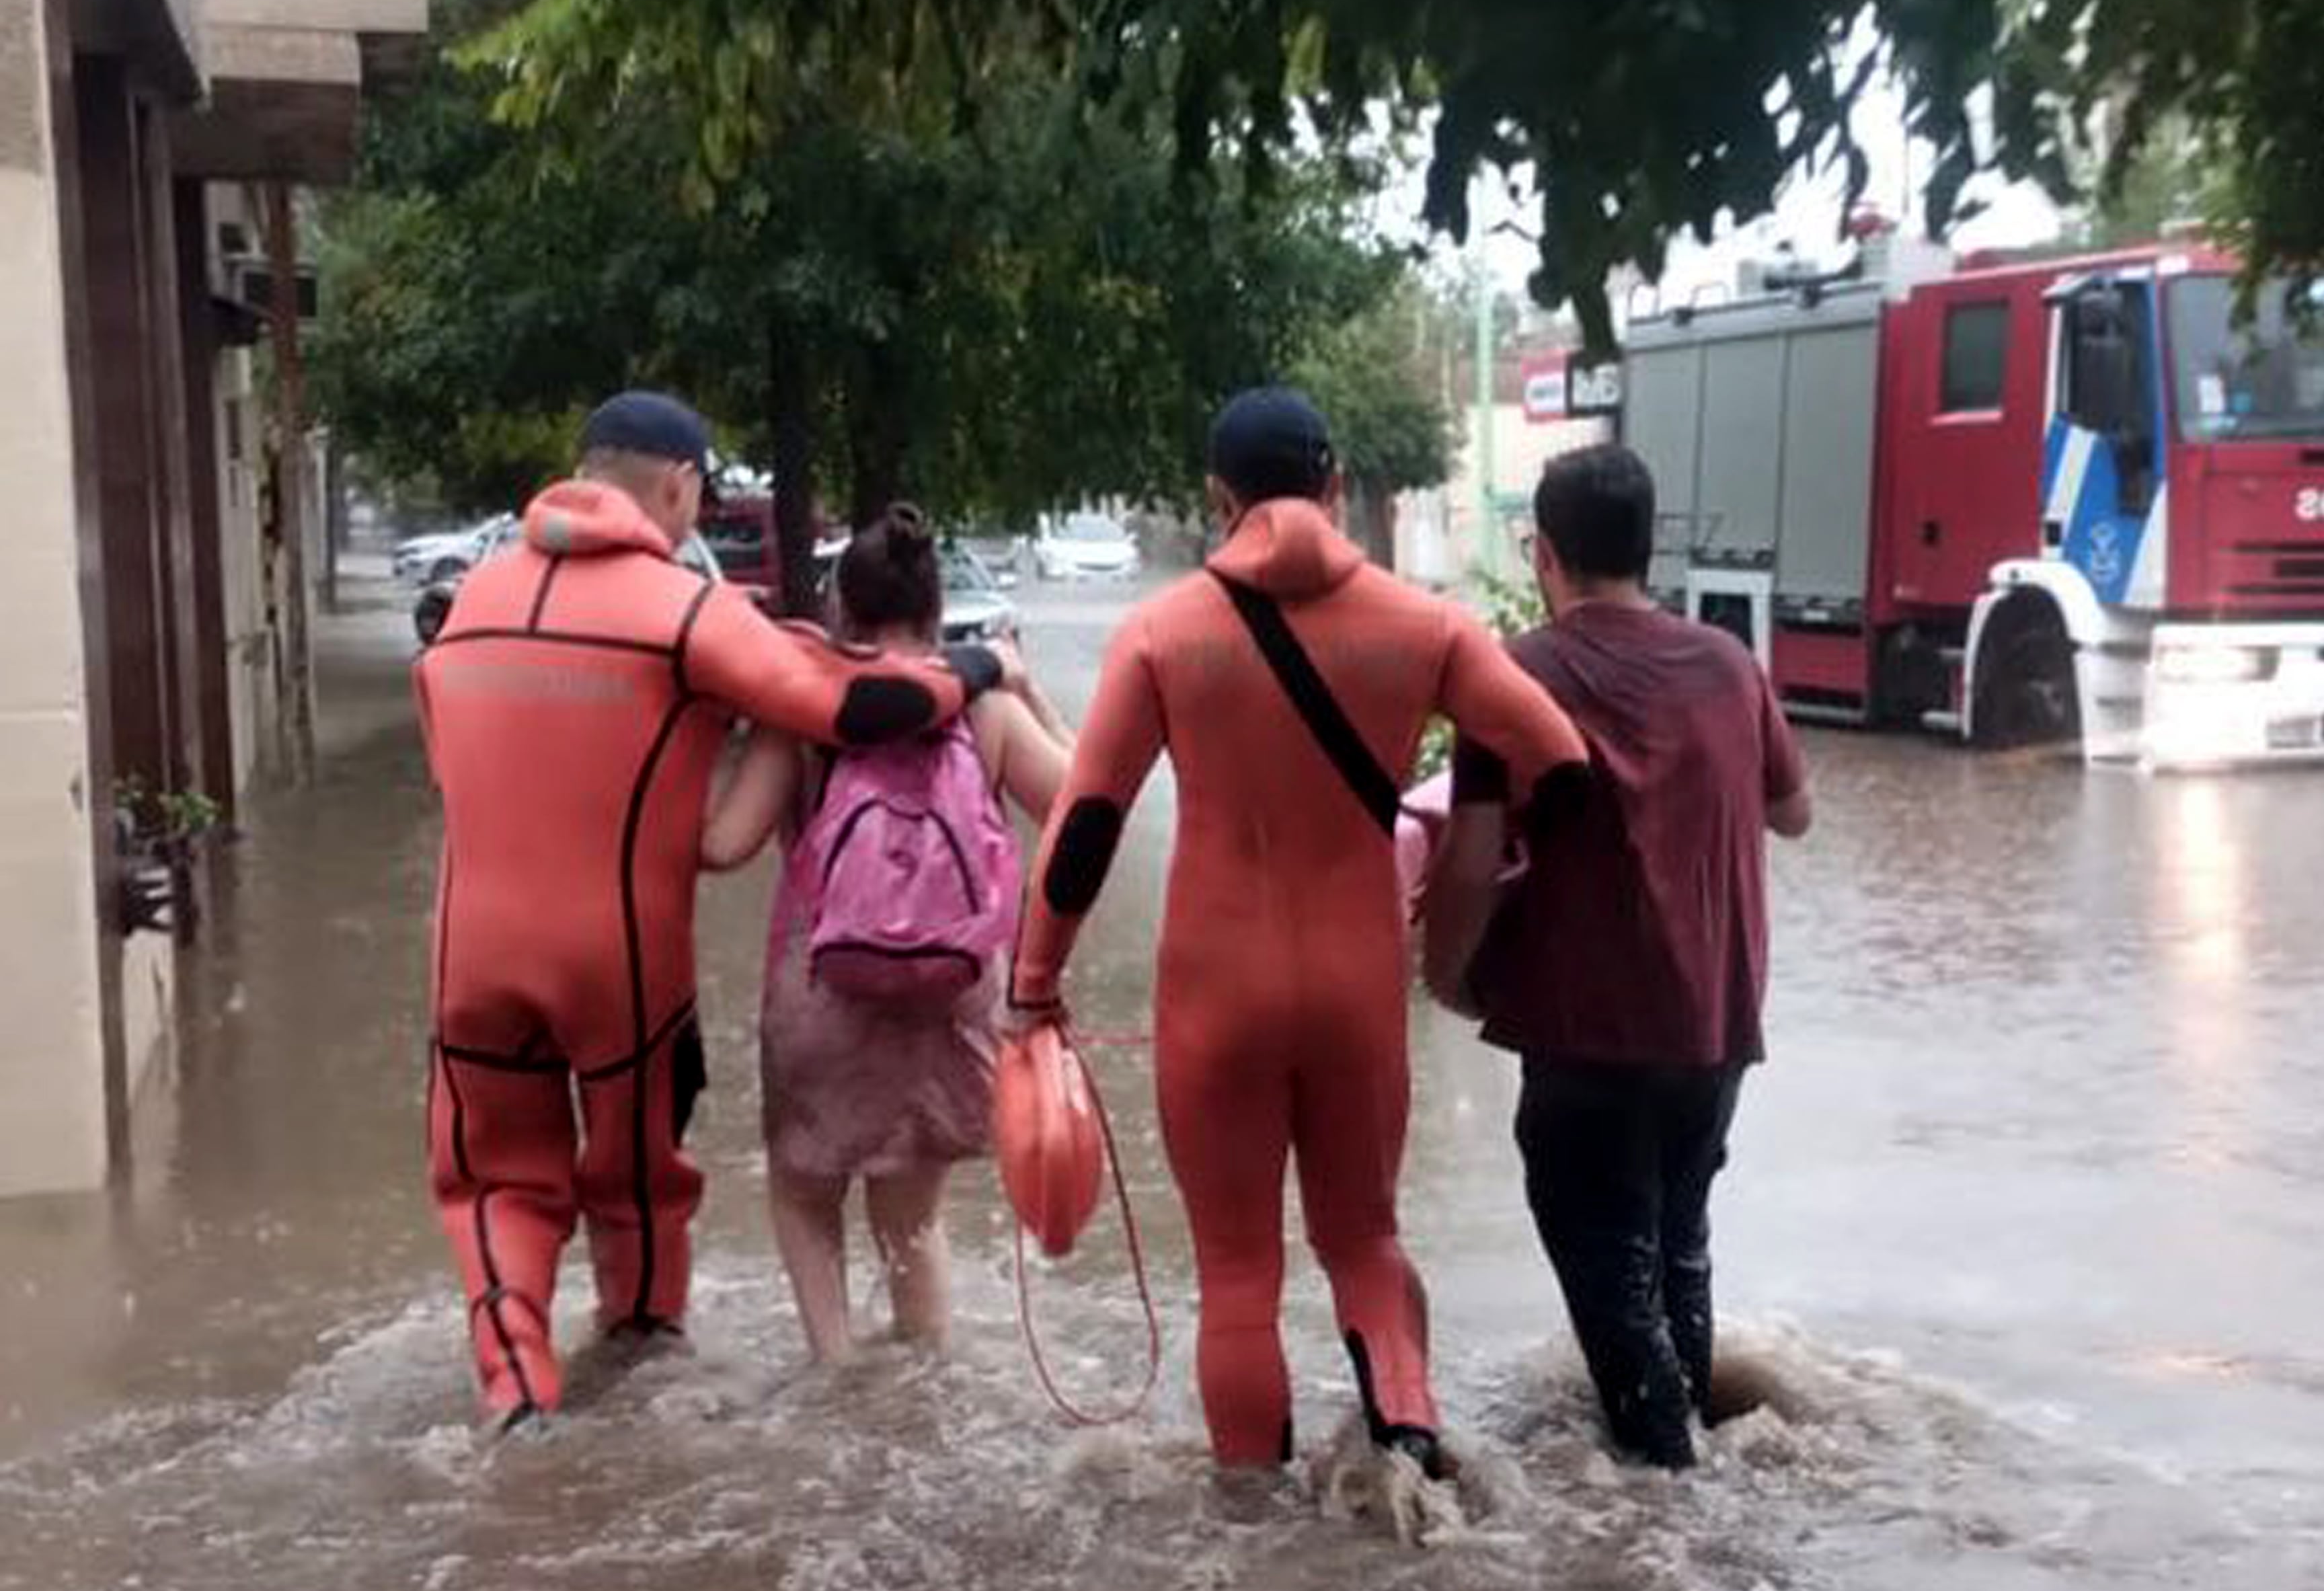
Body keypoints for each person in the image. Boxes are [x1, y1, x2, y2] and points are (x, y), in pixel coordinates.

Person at [1009, 388, 1588, 1476]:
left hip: (1215, 989)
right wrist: (1493, 873)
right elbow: (1560, 762)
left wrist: (1033, 983)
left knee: (1237, 1274)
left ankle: (1250, 1530)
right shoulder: (1427, 627)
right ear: (1332, 488)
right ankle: (1411, 1467)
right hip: (1357, 983)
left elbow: (1087, 822)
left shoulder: (1164, 632)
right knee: (1365, 1243)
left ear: (1220, 500)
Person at [416, 392, 1010, 1432]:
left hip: (469, 949)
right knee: (634, 1174)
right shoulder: (683, 609)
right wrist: (985, 665)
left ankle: (514, 1388)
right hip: (619, 953)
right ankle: (642, 1339)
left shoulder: (470, 600)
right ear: (679, 486)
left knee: (493, 1179)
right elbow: (863, 707)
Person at [1423, 442, 1811, 1469]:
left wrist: (1444, 975)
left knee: (1613, 1283)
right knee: (1675, 1251)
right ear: (1650, 548)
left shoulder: (1512, 674)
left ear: (1543, 553)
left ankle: (1669, 1519)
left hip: (1585, 1039)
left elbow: (1465, 861)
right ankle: (1706, 1490)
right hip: (1714, 1033)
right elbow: (1796, 813)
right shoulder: (1731, 666)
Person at [701, 509, 1073, 1362]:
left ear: (841, 611)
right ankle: (920, 1379)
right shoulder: (982, 712)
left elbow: (722, 846)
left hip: (822, 993)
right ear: (938, 611)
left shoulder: (800, 713)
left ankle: (833, 1372)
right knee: (911, 1218)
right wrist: (1024, 688)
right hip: (948, 994)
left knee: (804, 1192)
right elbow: (1081, 807)